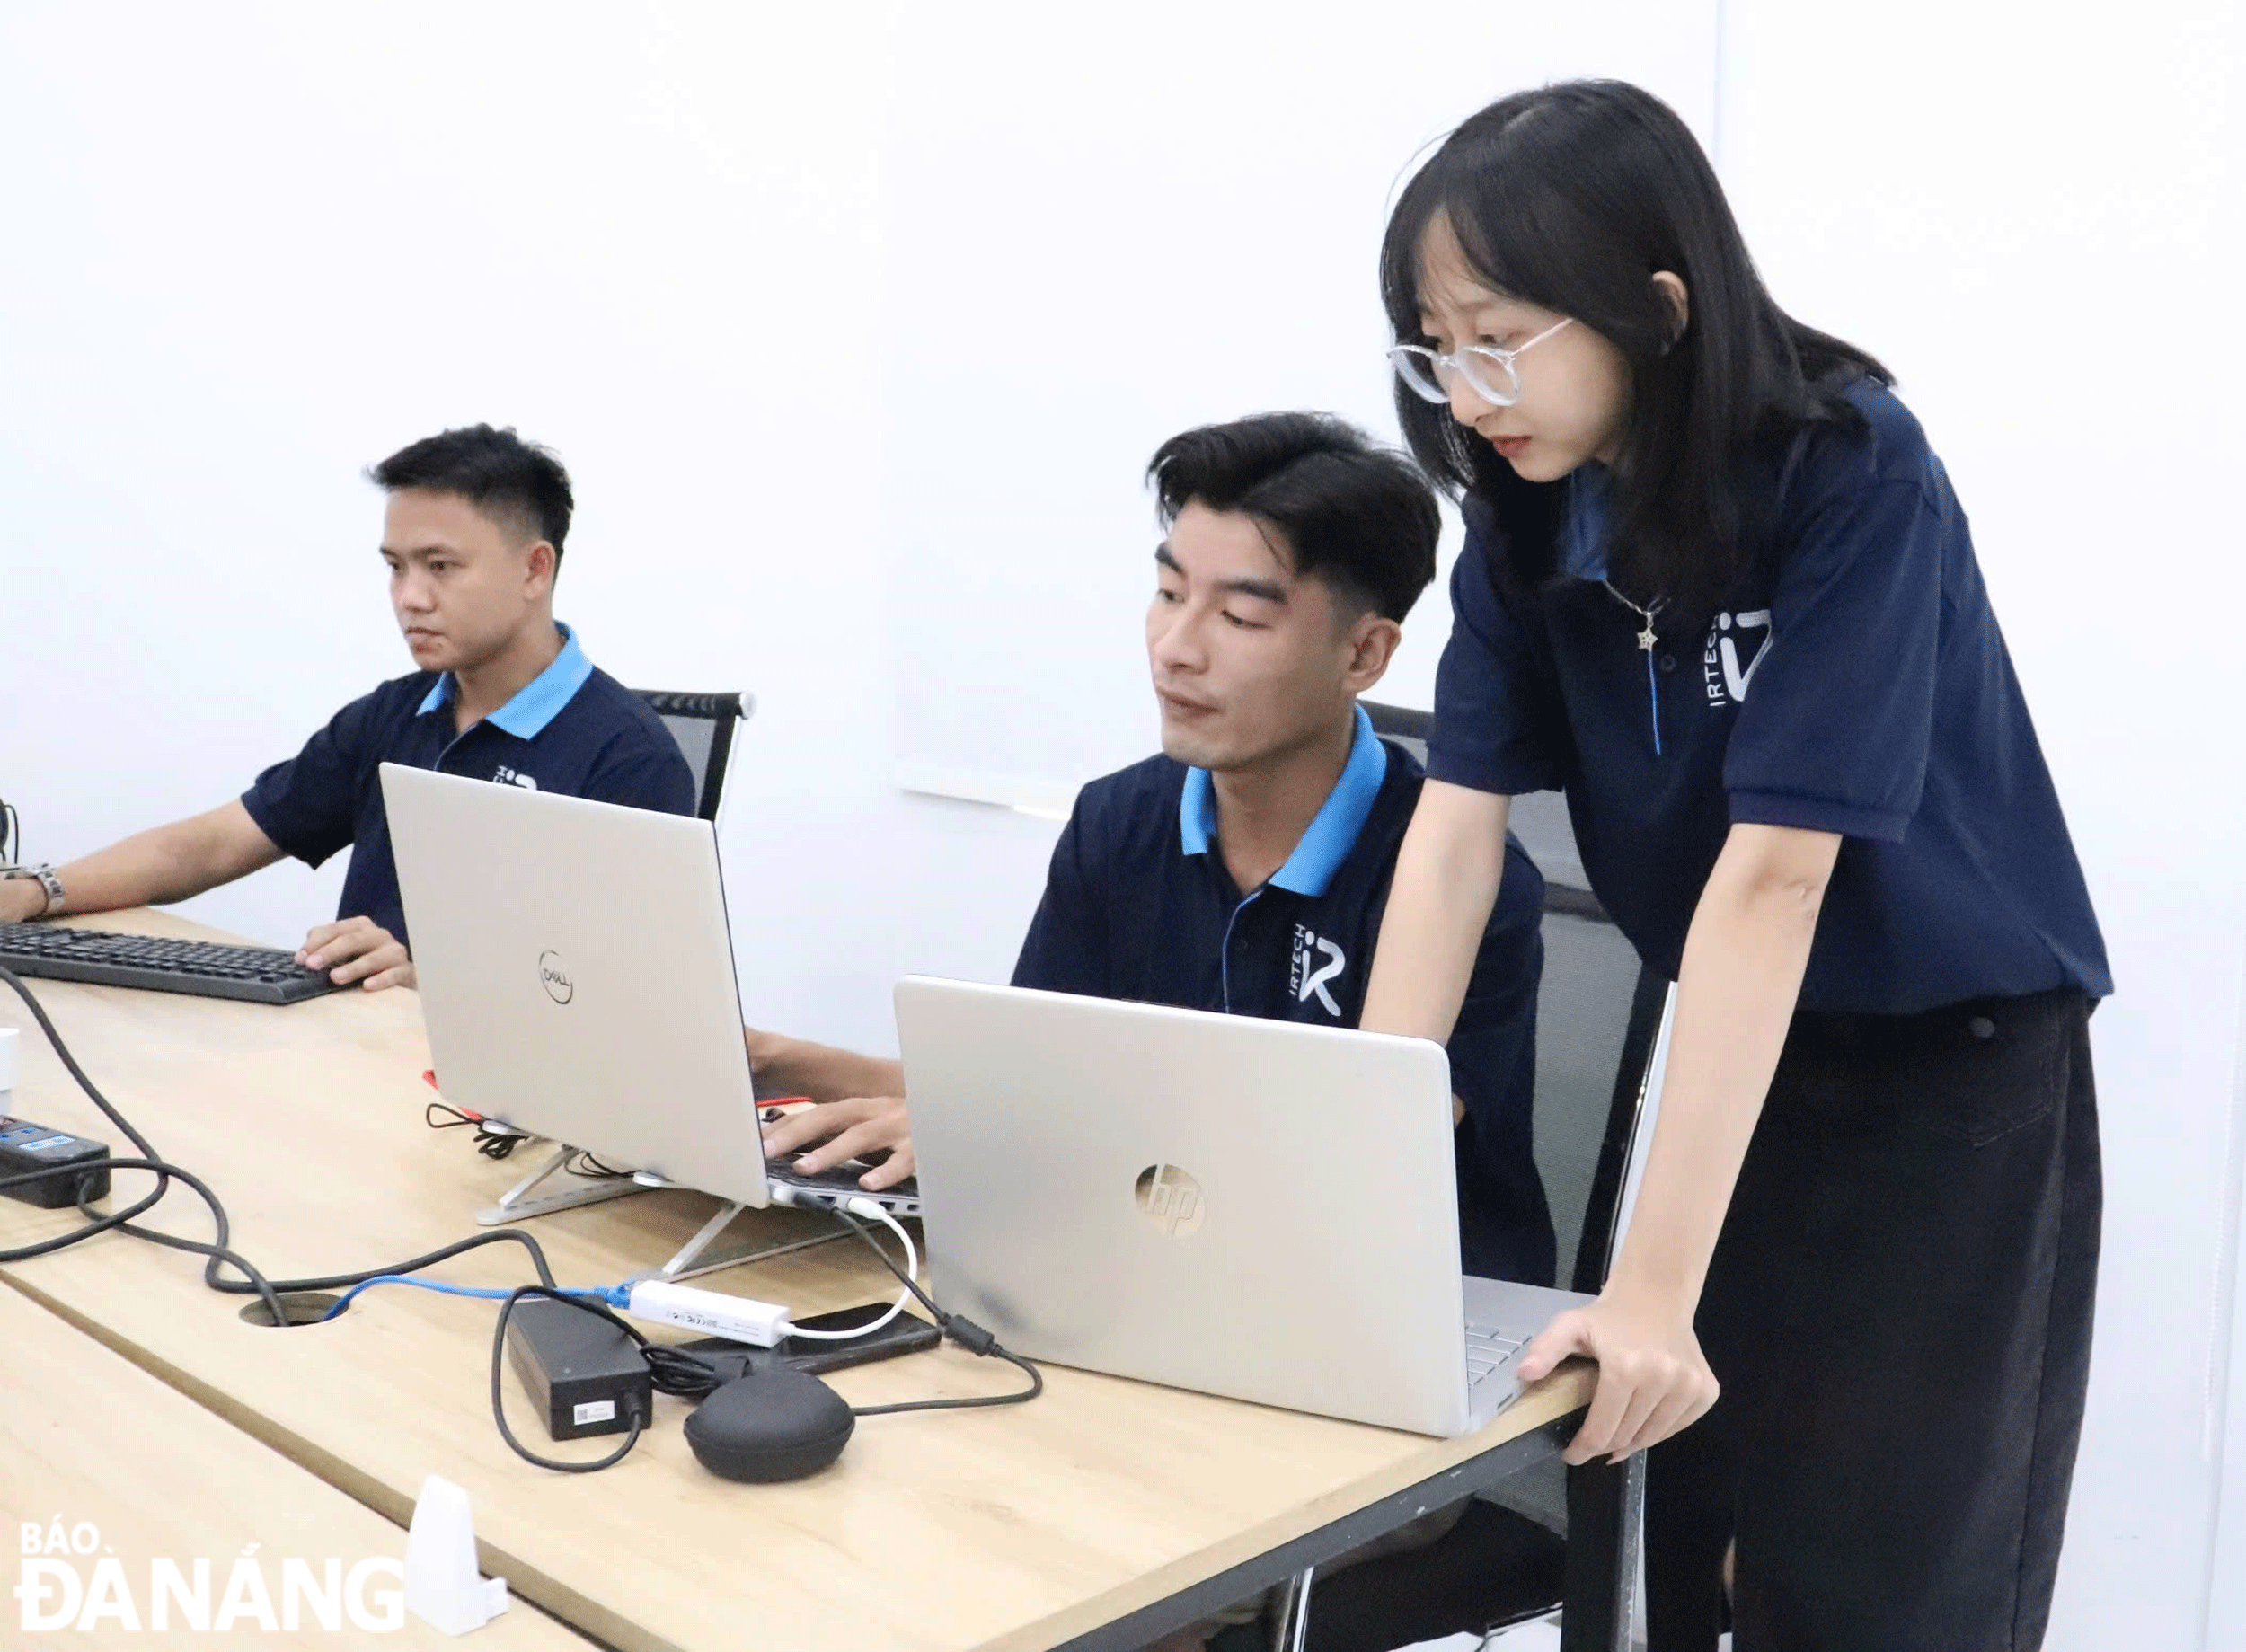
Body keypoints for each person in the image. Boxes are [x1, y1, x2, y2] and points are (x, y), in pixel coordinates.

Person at [1357, 80, 2109, 1650]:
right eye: (1433, 342)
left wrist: (1656, 1285)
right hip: (1727, 1030)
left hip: (1944, 1060)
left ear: (1657, 305)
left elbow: (1778, 876)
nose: (1462, 385)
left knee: (1880, 1561)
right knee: (1648, 1484)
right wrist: (1355, 1139)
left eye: (1494, 332)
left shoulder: (1852, 469)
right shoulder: (1523, 501)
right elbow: (1451, 829)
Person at [756, 411, 1556, 1288]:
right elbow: (1030, 1088)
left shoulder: (1458, 885)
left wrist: (985, 1123)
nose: (1175, 651)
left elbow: (1337, 1168)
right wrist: (784, 1065)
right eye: (1170, 596)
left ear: (1364, 654)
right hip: (1153, 1268)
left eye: (1240, 618)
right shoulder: (1119, 822)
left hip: (1389, 1305)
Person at [0, 425, 695, 990]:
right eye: (396, 566)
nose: (409, 597)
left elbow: (619, 1002)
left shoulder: (629, 756)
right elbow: (214, 842)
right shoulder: (395, 714)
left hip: (498, 1114)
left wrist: (427, 982)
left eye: (440, 566)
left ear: (534, 569)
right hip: (356, 1061)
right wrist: (36, 889)